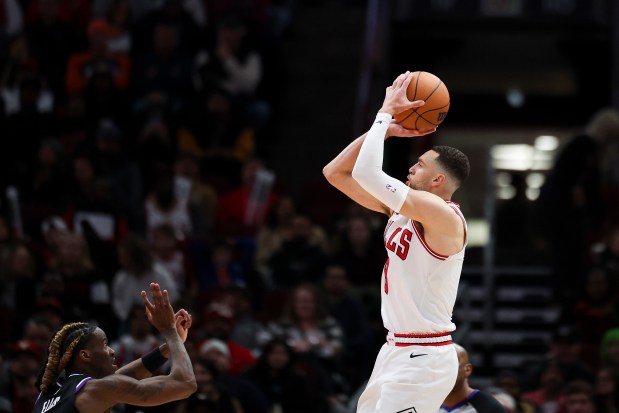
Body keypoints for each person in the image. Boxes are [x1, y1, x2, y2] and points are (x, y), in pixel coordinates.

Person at [323, 71, 470, 413]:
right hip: (395, 348)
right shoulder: (403, 209)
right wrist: (384, 131)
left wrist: (385, 113)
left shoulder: (442, 216)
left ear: (437, 179)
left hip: (425, 356)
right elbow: (335, 173)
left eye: (418, 166)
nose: (410, 168)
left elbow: (367, 174)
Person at [31, 283, 197, 413]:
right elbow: (185, 383)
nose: (112, 351)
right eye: (104, 345)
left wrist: (169, 346)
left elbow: (126, 377)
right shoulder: (95, 390)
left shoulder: (53, 393)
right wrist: (170, 331)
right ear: (85, 355)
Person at [440, 343, 508, 413]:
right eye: (439, 365)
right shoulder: (429, 403)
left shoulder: (489, 408)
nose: (444, 370)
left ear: (467, 370)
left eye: (451, 364)